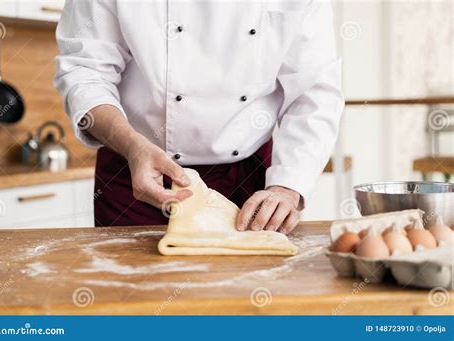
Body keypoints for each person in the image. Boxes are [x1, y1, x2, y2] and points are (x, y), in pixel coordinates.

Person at [54, 0, 343, 235]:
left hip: (246, 182)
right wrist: (131, 145)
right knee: (130, 296)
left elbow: (313, 94)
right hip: (134, 172)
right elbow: (85, 72)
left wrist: (287, 187)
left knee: (242, 300)